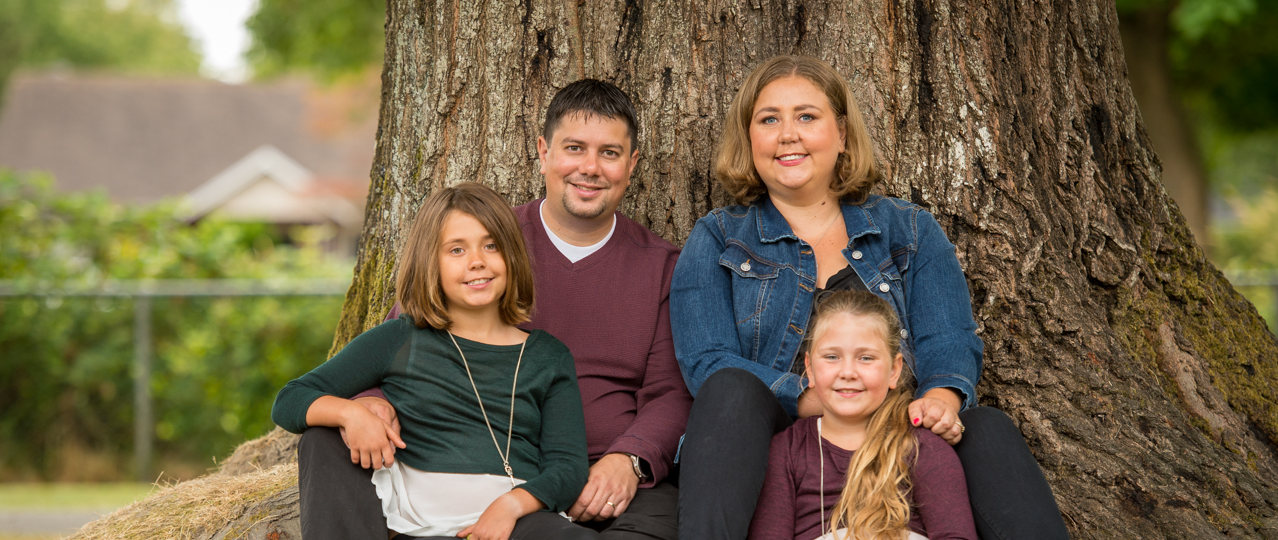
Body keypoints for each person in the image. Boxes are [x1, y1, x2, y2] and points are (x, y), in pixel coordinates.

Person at [670, 55, 1067, 540]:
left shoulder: (908, 229)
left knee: (986, 429)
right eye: (769, 119)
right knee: (730, 390)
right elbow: (706, 361)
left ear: (841, 133)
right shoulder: (718, 238)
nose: (787, 134)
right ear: (749, 137)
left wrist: (941, 397)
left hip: (901, 430)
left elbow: (948, 336)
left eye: (807, 117)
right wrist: (820, 399)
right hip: (778, 444)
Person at [297, 79, 692, 539]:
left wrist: (632, 460)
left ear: (632, 163)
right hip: (487, 464)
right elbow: (409, 337)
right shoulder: (484, 242)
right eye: (574, 148)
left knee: (658, 524)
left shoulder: (663, 266)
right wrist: (372, 406)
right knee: (326, 441)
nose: (590, 167)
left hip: (608, 468)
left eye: (609, 152)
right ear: (543, 152)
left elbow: (670, 392)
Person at [272, 182, 591, 539]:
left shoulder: (548, 356)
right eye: (456, 249)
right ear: (431, 263)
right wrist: (351, 413)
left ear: (511, 255)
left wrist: (511, 505)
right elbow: (291, 399)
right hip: (413, 516)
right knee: (322, 436)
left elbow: (568, 466)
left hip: (511, 519)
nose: (476, 261)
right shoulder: (402, 337)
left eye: (491, 245)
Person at [748, 290, 977, 540]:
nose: (848, 372)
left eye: (865, 358)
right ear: (810, 369)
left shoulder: (921, 446)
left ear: (894, 370)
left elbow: (956, 535)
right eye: (832, 357)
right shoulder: (787, 449)